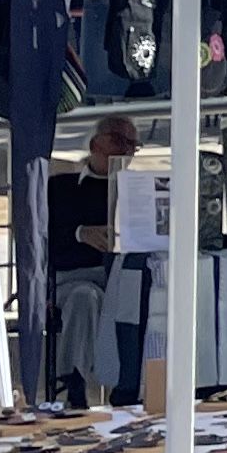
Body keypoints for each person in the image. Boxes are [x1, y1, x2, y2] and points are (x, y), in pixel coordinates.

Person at [47, 116, 141, 404]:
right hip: (73, 277)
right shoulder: (61, 187)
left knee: (147, 299)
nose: (125, 151)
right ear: (94, 144)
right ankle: (73, 381)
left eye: (132, 145)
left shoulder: (136, 191)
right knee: (85, 297)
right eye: (118, 141)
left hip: (121, 278)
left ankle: (131, 388)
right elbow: (43, 241)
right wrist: (80, 234)